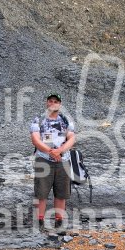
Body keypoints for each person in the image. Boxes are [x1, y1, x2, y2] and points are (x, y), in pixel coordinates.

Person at [30, 92, 76, 232]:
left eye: (56, 101)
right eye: (50, 101)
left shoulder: (66, 120)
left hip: (63, 160)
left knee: (61, 193)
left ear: (60, 104)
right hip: (44, 160)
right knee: (41, 193)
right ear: (46, 103)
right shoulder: (38, 120)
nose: (53, 103)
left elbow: (72, 138)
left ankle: (59, 221)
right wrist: (51, 152)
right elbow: (35, 139)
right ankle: (40, 221)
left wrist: (60, 151)